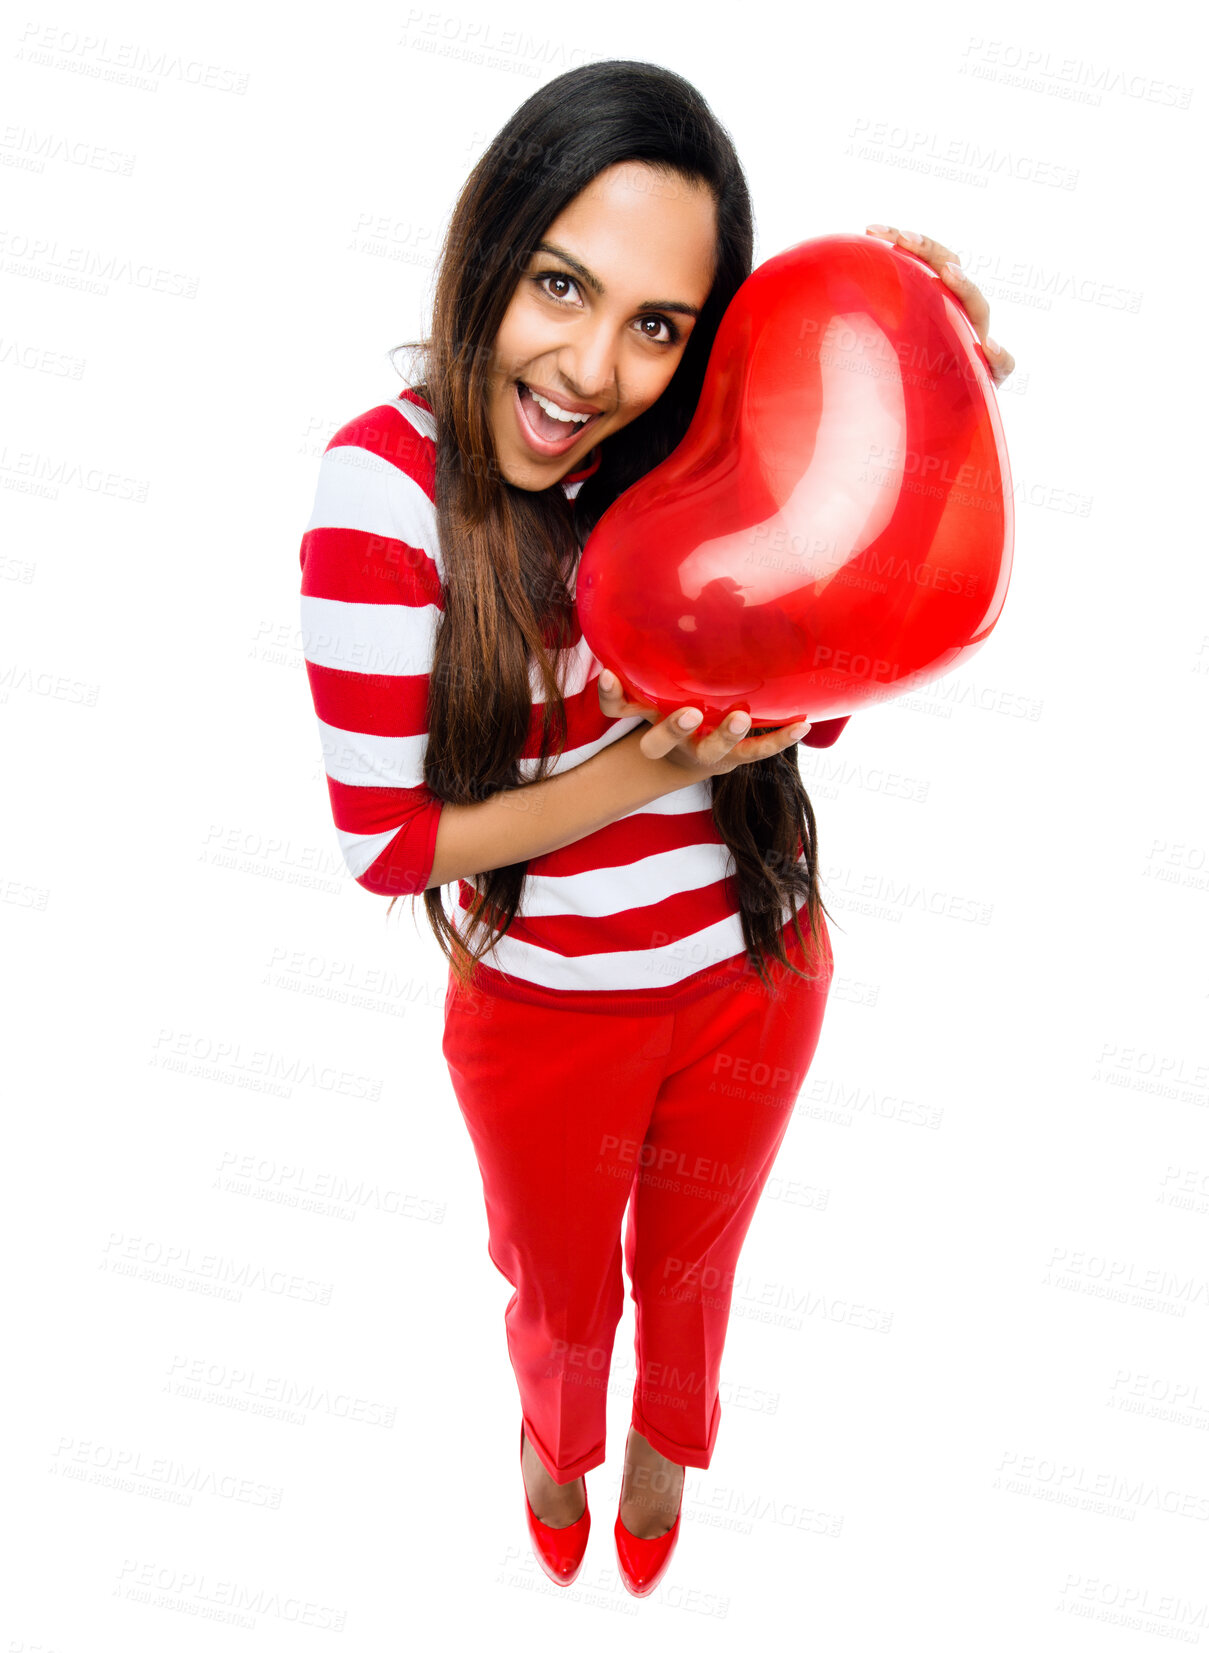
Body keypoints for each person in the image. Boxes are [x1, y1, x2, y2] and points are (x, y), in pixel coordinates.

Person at [298, 60, 1015, 1597]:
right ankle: (557, 1435)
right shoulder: (381, 489)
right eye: (560, 284)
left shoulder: (695, 453)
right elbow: (388, 841)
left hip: (755, 968)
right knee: (558, 1296)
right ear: (490, 245)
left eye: (659, 326)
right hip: (542, 1015)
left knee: (691, 1271)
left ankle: (665, 1446)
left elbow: (808, 711)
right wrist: (630, 774)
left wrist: (899, 392)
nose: (590, 368)